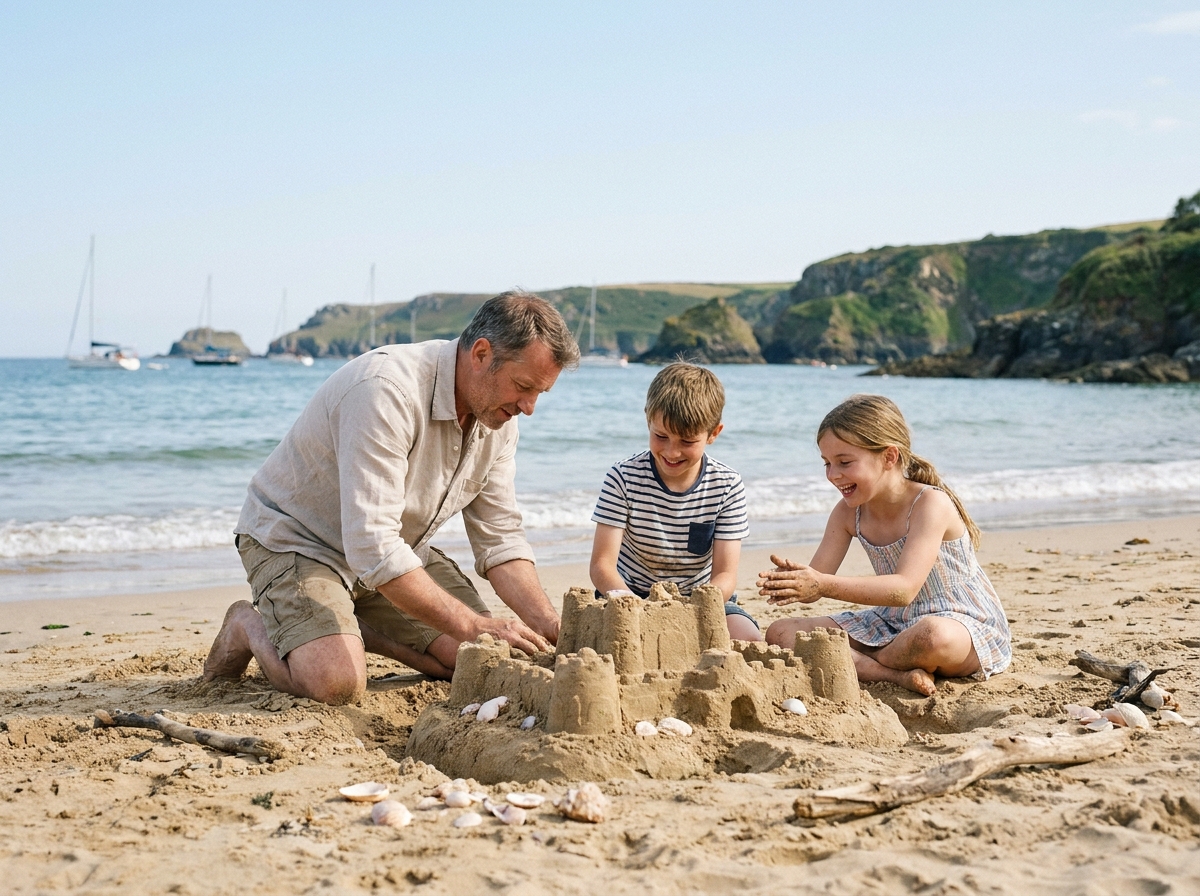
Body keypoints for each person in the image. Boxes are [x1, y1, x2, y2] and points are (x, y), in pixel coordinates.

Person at [203, 290, 580, 704]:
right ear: (481, 354)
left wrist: (547, 622)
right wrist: (472, 624)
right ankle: (248, 625)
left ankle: (353, 626)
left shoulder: (500, 416)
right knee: (336, 684)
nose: (529, 408)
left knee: (478, 660)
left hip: (393, 554)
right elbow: (373, 546)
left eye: (539, 394)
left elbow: (500, 538)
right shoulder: (385, 390)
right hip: (298, 541)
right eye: (524, 387)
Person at [757, 394, 1010, 695]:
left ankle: (870, 663)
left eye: (844, 462)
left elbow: (903, 589)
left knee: (931, 637)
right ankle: (893, 675)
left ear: (889, 457)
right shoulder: (847, 512)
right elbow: (818, 580)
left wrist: (821, 585)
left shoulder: (930, 503)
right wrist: (796, 581)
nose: (833, 475)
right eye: (826, 463)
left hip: (958, 621)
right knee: (781, 632)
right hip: (891, 622)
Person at [589, 362, 762, 641]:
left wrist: (691, 611)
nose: (671, 451)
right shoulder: (622, 478)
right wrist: (632, 604)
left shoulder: (727, 485)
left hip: (701, 599)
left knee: (749, 638)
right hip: (628, 593)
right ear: (648, 420)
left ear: (713, 433)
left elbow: (725, 576)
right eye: (661, 436)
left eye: (687, 441)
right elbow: (602, 566)